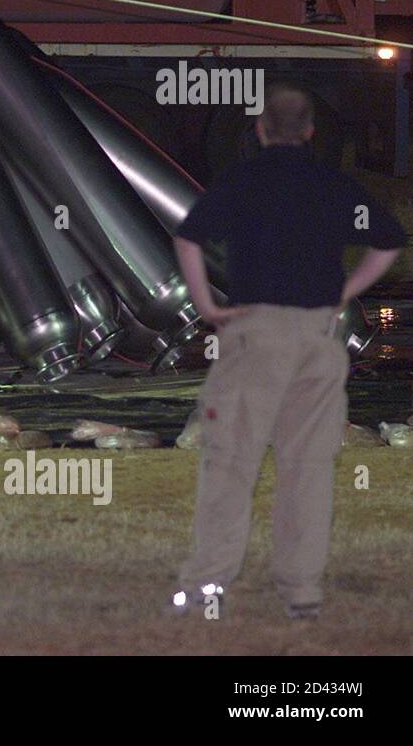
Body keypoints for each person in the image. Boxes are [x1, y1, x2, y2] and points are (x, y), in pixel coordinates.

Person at [170, 79, 405, 619]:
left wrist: (208, 304)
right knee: (309, 468)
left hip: (254, 334)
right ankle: (301, 594)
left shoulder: (242, 180)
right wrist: (346, 290)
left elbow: (188, 238)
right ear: (311, 132)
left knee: (230, 461)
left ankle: (209, 584)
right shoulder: (333, 184)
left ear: (259, 130)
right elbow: (388, 239)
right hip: (317, 339)